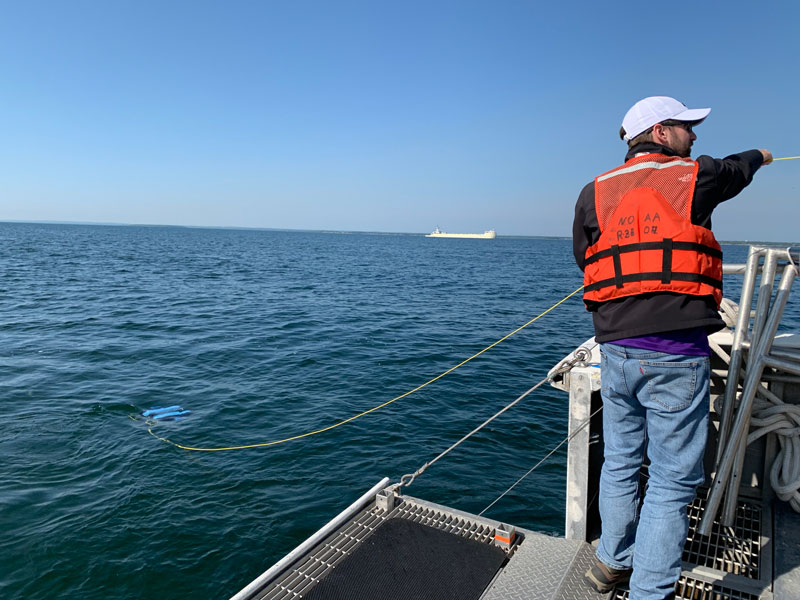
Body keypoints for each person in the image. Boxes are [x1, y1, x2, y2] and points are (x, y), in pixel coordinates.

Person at [572, 96, 772, 600]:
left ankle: (611, 564)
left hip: (615, 349)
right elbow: (736, 169)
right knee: (669, 482)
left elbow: (585, 255)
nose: (694, 136)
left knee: (620, 461)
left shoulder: (592, 192)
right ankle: (648, 593)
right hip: (674, 352)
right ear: (661, 132)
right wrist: (762, 155)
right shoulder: (693, 177)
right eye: (687, 127)